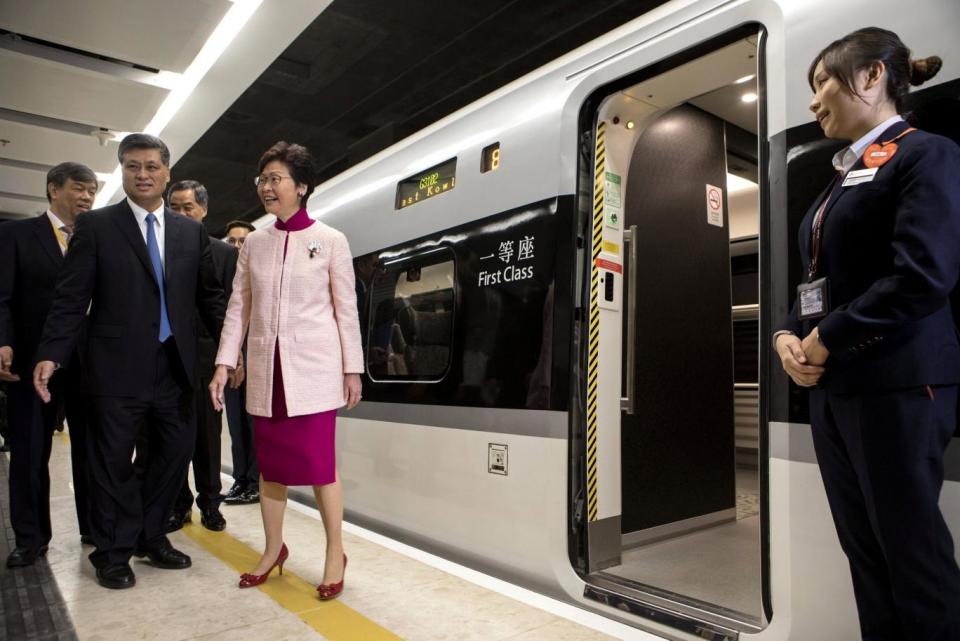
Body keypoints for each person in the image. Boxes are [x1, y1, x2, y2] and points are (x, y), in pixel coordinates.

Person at [774, 27, 960, 641]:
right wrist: (787, 336)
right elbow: (820, 283)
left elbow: (923, 274)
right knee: (866, 557)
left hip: (897, 385)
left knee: (912, 558)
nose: (814, 99)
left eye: (823, 80)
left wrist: (828, 337)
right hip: (837, 391)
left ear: (873, 76)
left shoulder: (923, 153)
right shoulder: (841, 179)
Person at [33, 134, 225, 590]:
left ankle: (151, 535)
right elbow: (71, 297)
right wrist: (50, 352)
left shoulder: (189, 231)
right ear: (122, 171)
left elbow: (210, 298)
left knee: (173, 457)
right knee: (111, 462)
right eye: (133, 166)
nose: (143, 174)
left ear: (167, 173)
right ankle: (114, 551)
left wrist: (232, 351)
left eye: (152, 166)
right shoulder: (98, 226)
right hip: (114, 367)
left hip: (174, 368)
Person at [210, 141, 362, 598]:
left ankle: (335, 552)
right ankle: (274, 548)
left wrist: (352, 369)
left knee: (320, 467)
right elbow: (239, 307)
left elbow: (346, 310)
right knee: (270, 469)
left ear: (302, 186)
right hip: (265, 371)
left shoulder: (331, 240)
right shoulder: (254, 243)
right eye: (263, 180)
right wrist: (224, 362)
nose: (266, 187)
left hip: (314, 372)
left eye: (276, 179)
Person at [0, 162, 98, 566]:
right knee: (29, 451)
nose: (88, 197)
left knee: (93, 450)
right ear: (53, 189)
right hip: (31, 360)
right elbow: (1, 296)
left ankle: (95, 526)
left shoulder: (98, 237)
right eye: (79, 188)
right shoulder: (16, 234)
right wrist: (3, 341)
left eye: (92, 190)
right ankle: (30, 537)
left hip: (90, 362)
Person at [164, 180, 238, 532]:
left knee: (208, 436)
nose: (180, 214)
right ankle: (179, 504)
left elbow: (231, 311)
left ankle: (211, 503)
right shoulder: (158, 250)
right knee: (171, 435)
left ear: (204, 210)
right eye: (174, 208)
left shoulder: (224, 254)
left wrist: (232, 357)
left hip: (209, 360)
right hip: (166, 359)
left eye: (187, 207)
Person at [221, 219, 260, 506]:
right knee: (235, 424)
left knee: (253, 424)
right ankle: (240, 479)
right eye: (232, 241)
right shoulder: (223, 278)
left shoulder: (260, 277)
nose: (236, 246)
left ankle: (256, 482)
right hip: (231, 360)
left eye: (243, 241)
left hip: (257, 360)